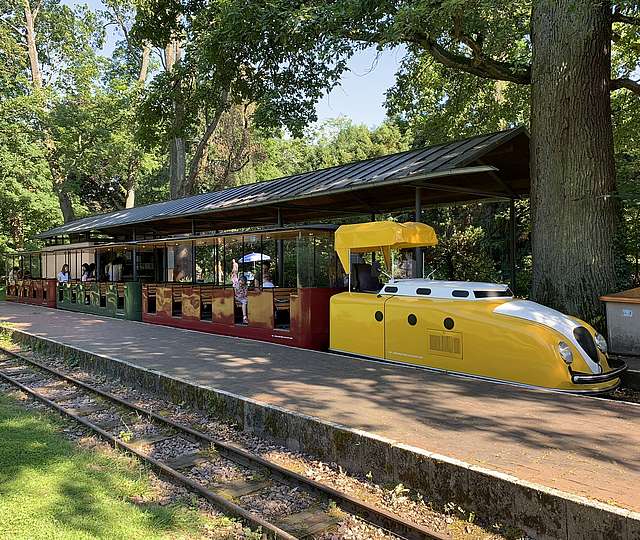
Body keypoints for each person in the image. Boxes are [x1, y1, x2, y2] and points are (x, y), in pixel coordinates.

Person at [231, 259, 249, 324]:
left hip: (243, 297)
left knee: (248, 301)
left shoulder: (245, 286)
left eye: (243, 283)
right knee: (244, 302)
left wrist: (244, 294)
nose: (241, 284)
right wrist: (241, 295)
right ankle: (244, 317)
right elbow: (235, 293)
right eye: (240, 282)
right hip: (237, 297)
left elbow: (246, 293)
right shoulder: (236, 285)